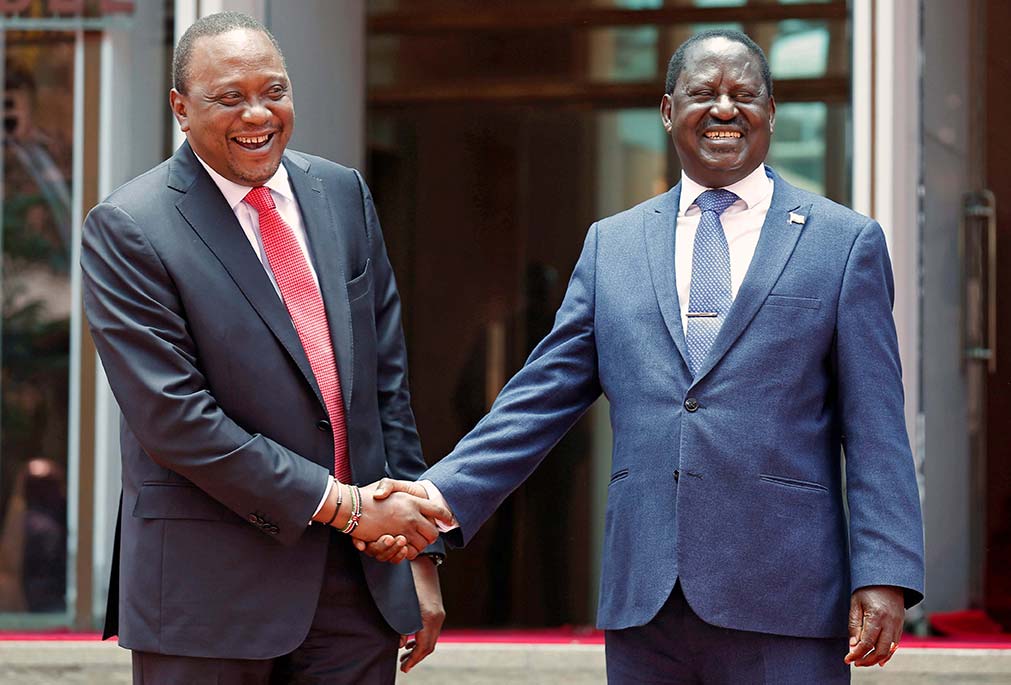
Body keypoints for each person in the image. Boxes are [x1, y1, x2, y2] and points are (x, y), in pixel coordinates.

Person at [367, 29, 925, 683]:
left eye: (744, 94)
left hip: (786, 600)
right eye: (702, 92)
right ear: (667, 111)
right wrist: (434, 498)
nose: (724, 107)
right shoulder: (613, 244)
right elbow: (537, 398)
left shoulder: (843, 242)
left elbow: (876, 425)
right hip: (646, 603)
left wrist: (884, 571)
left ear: (771, 113)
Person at [81, 12, 449, 684]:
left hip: (355, 592)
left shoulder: (341, 194)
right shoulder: (128, 228)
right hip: (208, 598)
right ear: (180, 109)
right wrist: (347, 505)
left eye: (273, 91)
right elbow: (175, 420)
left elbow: (384, 387)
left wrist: (418, 554)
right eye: (229, 97)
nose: (258, 113)